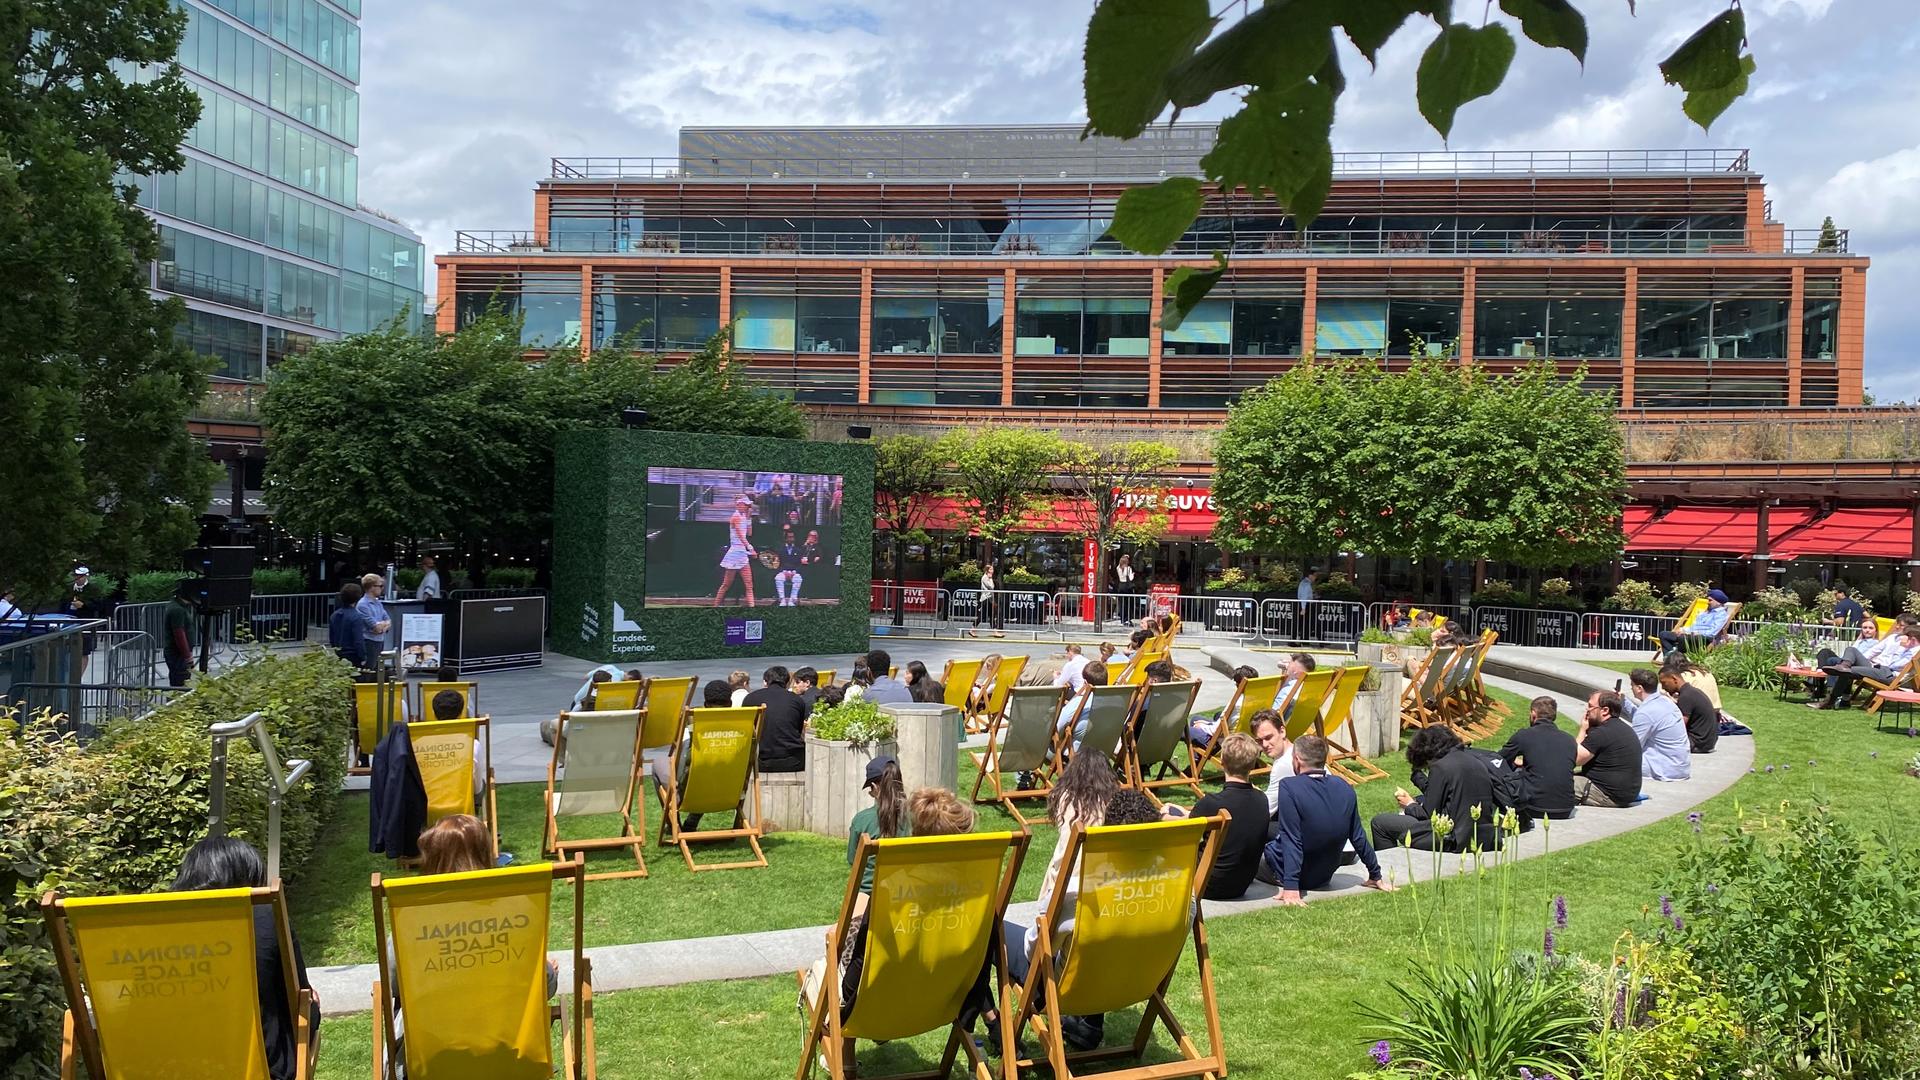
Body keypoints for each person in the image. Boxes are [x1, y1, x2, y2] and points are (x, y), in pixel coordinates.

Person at [803, 785, 974, 1023]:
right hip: (943, 993)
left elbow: (862, 959)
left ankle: (845, 1056)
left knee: (837, 944)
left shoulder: (896, 885)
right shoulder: (973, 886)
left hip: (879, 997)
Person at [1002, 753, 1125, 1053]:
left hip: (1062, 942)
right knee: (1092, 947)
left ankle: (1015, 1026)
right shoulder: (1126, 895)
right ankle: (1090, 1025)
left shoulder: (1069, 893)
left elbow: (1036, 949)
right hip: (1108, 954)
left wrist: (1047, 897)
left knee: (999, 931)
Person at [171, 838, 319, 1080]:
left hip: (163, 1069)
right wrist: (312, 1005)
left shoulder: (153, 926)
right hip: (262, 1071)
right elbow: (299, 1004)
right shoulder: (266, 918)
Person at [413, 815, 557, 995]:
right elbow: (542, 986)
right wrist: (549, 971)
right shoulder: (516, 911)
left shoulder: (412, 916)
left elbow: (394, 981)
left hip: (430, 1021)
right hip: (508, 1021)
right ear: (486, 854)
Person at [1263, 735, 1392, 903]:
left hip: (1288, 872)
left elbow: (1291, 838)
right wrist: (1375, 874)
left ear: (1297, 759)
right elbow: (1358, 835)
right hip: (1324, 876)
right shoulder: (1343, 785)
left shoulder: (1289, 786)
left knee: (1250, 857)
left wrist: (1291, 887)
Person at [1161, 733, 1270, 900]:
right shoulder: (1261, 799)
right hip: (1240, 884)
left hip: (1207, 883)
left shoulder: (1212, 803)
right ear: (1253, 764)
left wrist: (1162, 814)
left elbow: (1184, 828)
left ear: (1222, 762)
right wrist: (1180, 810)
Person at [1370, 726, 1500, 853]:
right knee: (1419, 800)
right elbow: (1447, 795)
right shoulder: (1475, 761)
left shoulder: (1441, 767)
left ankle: (1386, 866)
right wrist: (1418, 778)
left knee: (1380, 823)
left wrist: (1409, 805)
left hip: (1453, 838)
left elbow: (1429, 815)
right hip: (1483, 835)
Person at [1498, 696, 1577, 822]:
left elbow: (1498, 760)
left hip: (1533, 807)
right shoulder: (1570, 740)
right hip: (1565, 809)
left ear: (1533, 714)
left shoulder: (1524, 735)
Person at [845, 756, 909, 907]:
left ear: (874, 786)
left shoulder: (862, 820)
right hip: (907, 896)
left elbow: (853, 860)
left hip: (868, 899)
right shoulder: (917, 817)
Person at [1811, 626, 1920, 710]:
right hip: (1879, 669)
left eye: (1906, 636)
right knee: (1851, 650)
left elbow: (1896, 665)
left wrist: (1900, 648)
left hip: (1889, 675)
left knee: (1845, 672)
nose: (1902, 638)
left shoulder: (1916, 651)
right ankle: (1843, 666)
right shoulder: (1908, 648)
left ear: (1913, 639)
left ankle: (1830, 700)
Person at [1574, 690, 1643, 808]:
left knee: (1556, 781)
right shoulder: (1622, 728)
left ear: (1605, 710)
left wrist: (1582, 730)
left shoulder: (1602, 733)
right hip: (1626, 793)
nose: (1587, 711)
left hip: (1608, 794)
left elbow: (1574, 759)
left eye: (1591, 707)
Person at [1624, 668, 1691, 782]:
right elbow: (1645, 718)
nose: (1631, 688)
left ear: (1639, 688)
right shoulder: (1665, 702)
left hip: (1664, 769)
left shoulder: (1646, 712)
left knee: (1615, 758)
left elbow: (1633, 748)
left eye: (1632, 685)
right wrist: (1623, 702)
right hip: (1681, 766)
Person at [744, 666, 809, 773]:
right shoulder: (797, 700)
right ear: (788, 683)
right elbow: (798, 729)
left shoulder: (750, 698)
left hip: (759, 762)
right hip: (794, 761)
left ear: (765, 682)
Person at [1188, 664, 1260, 748]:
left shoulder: (1237, 703)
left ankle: (1197, 758)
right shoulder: (1258, 699)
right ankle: (1196, 759)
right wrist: (1207, 724)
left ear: (1238, 684)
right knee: (1195, 718)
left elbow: (1215, 731)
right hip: (1245, 739)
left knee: (1183, 730)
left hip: (1226, 742)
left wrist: (1202, 726)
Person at [1248, 709, 1297, 824]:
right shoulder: (1297, 750)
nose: (1264, 745)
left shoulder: (1283, 764)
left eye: (1269, 737)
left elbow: (1266, 810)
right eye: (1259, 740)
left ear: (1282, 731)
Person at [1660, 664, 1719, 754]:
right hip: (1708, 742)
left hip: (1698, 743)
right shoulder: (1691, 692)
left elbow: (1679, 726)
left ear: (1674, 679)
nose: (1663, 687)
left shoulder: (1686, 696)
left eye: (1664, 683)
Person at [1656, 588, 1732, 658]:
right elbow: (1694, 626)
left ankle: (1677, 657)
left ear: (1718, 602)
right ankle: (1670, 659)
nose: (1707, 602)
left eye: (1710, 600)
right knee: (1664, 634)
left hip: (1704, 639)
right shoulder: (1705, 613)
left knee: (1683, 638)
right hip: (1691, 636)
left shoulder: (1721, 615)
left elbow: (1712, 633)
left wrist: (1691, 632)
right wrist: (1683, 629)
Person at [712, 495, 759, 607]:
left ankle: (752, 608)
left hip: (742, 554)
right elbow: (741, 537)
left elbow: (749, 533)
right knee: (726, 584)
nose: (747, 507)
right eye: (745, 505)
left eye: (748, 505)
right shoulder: (735, 517)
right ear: (739, 505)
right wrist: (751, 549)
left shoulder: (743, 516)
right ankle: (715, 607)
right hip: (734, 554)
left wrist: (749, 518)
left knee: (749, 585)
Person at [1055, 660, 1109, 750]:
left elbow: (1058, 728)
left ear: (1085, 683)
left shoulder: (1079, 703)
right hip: (1103, 750)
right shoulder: (1118, 701)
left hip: (1077, 753)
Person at [163, 579, 199, 687]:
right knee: (180, 683)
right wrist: (187, 656)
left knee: (179, 681)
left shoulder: (179, 607)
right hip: (177, 654)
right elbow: (179, 634)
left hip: (178, 653)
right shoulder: (177, 610)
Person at [355, 574, 392, 669]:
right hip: (369, 642)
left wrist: (382, 626)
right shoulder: (363, 605)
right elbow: (375, 627)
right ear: (372, 587)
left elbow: (388, 620)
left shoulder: (378, 603)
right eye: (380, 586)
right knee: (370, 668)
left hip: (379, 640)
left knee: (378, 669)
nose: (382, 588)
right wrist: (382, 625)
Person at [327, 582, 364, 667]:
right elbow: (358, 640)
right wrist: (363, 656)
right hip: (353, 655)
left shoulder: (335, 615)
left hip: (339, 653)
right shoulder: (356, 616)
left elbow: (332, 637)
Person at [773, 526, 806, 607]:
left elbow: (800, 564)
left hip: (794, 573)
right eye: (789, 537)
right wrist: (784, 572)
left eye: (792, 537)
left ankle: (792, 600)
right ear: (786, 539)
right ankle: (782, 600)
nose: (791, 539)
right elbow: (777, 564)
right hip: (783, 572)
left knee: (798, 579)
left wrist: (794, 572)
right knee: (778, 578)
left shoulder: (798, 550)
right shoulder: (780, 550)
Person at [969, 563, 1001, 637]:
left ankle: (995, 632)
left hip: (990, 598)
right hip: (985, 599)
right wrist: (990, 579)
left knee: (992, 615)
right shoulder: (985, 578)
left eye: (992, 569)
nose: (992, 571)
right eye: (991, 569)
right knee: (982, 616)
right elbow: (991, 587)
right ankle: (972, 629)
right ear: (987, 570)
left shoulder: (989, 577)